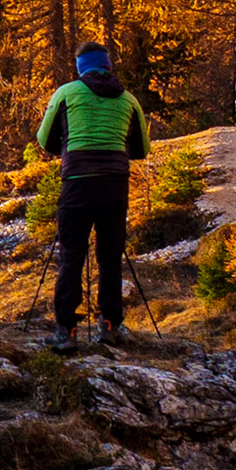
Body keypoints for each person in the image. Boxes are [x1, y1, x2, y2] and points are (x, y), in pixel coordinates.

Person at [30, 43, 150, 352]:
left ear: (81, 67)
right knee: (110, 256)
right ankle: (109, 325)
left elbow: (45, 140)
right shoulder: (129, 100)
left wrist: (69, 149)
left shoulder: (67, 93)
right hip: (115, 184)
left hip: (78, 182)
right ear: (108, 66)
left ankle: (66, 331)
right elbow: (141, 150)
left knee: (72, 256)